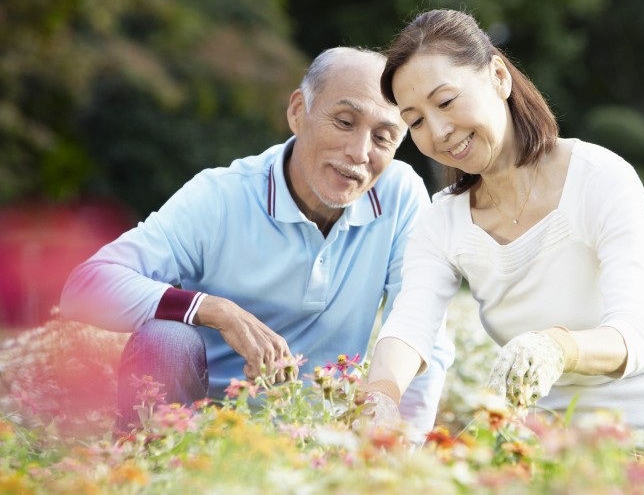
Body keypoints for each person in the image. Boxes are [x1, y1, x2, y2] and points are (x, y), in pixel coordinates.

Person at [60, 46, 454, 434]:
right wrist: (215, 310)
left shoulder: (400, 195)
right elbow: (86, 286)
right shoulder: (221, 196)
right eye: (345, 121)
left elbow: (422, 330)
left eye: (384, 137)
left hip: (320, 446)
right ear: (298, 112)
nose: (359, 152)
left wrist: (406, 455)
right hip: (199, 435)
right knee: (165, 338)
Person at [361, 9, 644, 430]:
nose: (440, 130)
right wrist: (381, 396)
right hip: (535, 435)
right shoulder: (442, 221)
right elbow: (410, 325)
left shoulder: (599, 178)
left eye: (446, 101)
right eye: (416, 121)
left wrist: (559, 347)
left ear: (499, 76)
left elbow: (638, 331)